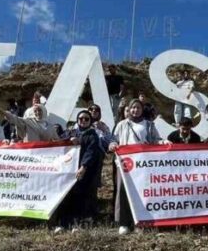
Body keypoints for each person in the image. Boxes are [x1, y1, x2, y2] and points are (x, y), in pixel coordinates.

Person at [109, 99, 163, 235]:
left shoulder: (149, 125)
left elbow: (156, 140)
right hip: (125, 164)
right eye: (133, 108)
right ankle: (123, 223)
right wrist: (112, 145)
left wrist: (163, 142)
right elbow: (113, 139)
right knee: (123, 191)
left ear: (142, 109)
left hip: (143, 164)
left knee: (142, 193)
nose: (135, 110)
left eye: (138, 108)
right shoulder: (122, 124)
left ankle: (140, 222)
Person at [55, 109, 106, 230]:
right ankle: (63, 223)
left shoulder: (93, 134)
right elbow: (59, 141)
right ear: (77, 120)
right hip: (69, 170)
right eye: (81, 119)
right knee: (67, 197)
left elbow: (91, 152)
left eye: (86, 119)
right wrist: (69, 140)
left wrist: (84, 166)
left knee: (83, 198)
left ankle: (79, 224)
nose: (83, 121)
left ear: (90, 121)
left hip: (86, 172)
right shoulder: (71, 132)